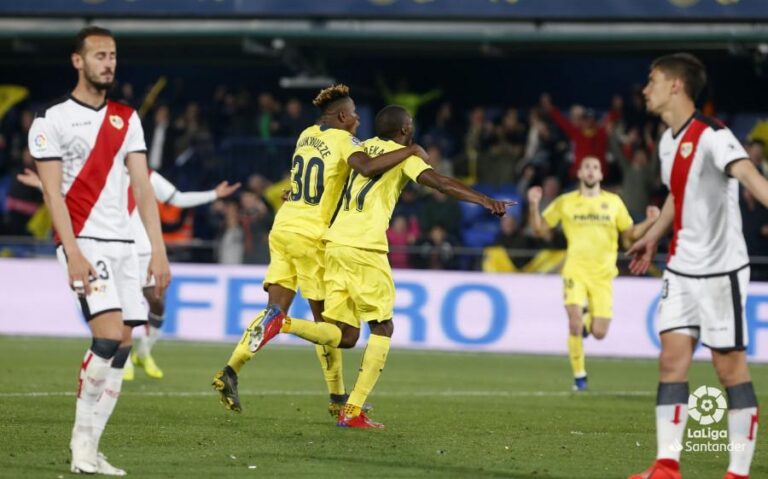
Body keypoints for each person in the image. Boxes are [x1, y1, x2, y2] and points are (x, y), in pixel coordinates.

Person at [246, 105, 510, 428]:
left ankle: (282, 323)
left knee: (344, 336)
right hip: (366, 247)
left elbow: (331, 179)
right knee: (383, 328)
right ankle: (352, 409)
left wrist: (296, 195)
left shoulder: (360, 147)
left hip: (335, 244)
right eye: (410, 126)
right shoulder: (403, 156)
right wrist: (485, 200)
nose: (412, 131)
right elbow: (439, 183)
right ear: (404, 130)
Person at [212, 85, 429, 415]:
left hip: (284, 226)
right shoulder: (344, 141)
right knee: (333, 329)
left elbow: (311, 178)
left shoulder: (306, 134)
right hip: (312, 237)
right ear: (342, 116)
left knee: (274, 309)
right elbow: (367, 169)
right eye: (355, 114)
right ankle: (338, 397)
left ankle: (230, 370)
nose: (358, 120)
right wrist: (411, 151)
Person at [27, 26, 171, 475]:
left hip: (127, 244)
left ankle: (92, 446)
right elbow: (52, 195)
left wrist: (158, 250)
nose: (108, 63)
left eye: (112, 55)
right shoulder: (51, 121)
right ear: (78, 61)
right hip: (84, 242)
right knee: (108, 335)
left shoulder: (127, 118)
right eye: (99, 55)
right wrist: (71, 251)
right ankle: (81, 447)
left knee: (126, 344)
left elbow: (143, 188)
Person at [628, 53, 767, 479]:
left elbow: (748, 175)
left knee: (729, 369)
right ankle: (667, 466)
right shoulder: (668, 139)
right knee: (671, 362)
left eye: (652, 80)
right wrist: (652, 237)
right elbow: (677, 194)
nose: (645, 89)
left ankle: (737, 473)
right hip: (682, 268)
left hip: (721, 271)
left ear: (675, 85)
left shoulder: (712, 134)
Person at [16, 168, 240, 379]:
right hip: (119, 250)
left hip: (146, 252)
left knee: (157, 301)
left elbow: (177, 198)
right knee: (124, 307)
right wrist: (41, 184)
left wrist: (214, 194)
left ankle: (144, 352)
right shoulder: (100, 172)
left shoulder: (146, 175)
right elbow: (72, 194)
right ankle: (123, 361)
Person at [527, 156, 659, 391]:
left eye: (595, 168)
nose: (590, 171)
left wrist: (649, 222)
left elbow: (629, 234)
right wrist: (534, 204)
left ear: (600, 175)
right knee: (574, 324)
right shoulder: (565, 202)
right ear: (579, 174)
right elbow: (540, 229)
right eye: (586, 167)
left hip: (603, 275)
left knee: (599, 332)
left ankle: (587, 320)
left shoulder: (614, 202)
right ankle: (580, 378)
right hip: (575, 270)